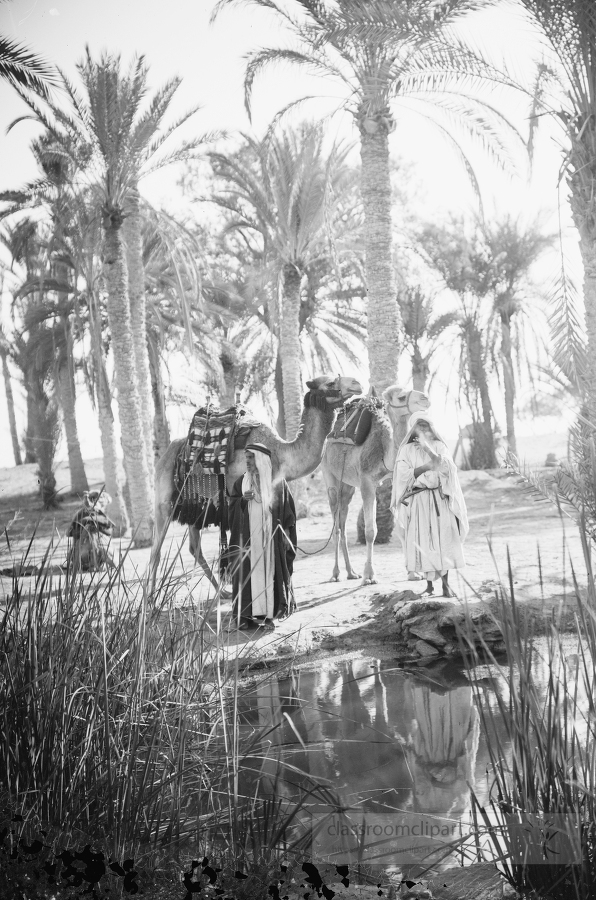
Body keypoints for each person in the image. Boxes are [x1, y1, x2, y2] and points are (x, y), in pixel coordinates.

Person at [390, 412, 468, 598]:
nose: (423, 430)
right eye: (419, 426)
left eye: (426, 426)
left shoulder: (440, 446)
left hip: (440, 500)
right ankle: (429, 586)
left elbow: (446, 467)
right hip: (419, 501)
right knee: (424, 542)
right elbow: (402, 474)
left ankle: (446, 586)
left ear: (432, 428)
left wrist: (428, 450)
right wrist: (426, 467)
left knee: (444, 542)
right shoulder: (406, 450)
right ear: (414, 429)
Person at [228, 443, 297, 630]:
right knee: (246, 574)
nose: (247, 462)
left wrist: (287, 534)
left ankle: (268, 615)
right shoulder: (241, 482)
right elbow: (231, 506)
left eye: (251, 458)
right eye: (246, 457)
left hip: (270, 541)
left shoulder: (277, 483)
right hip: (248, 541)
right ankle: (244, 616)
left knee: (269, 574)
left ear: (261, 459)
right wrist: (242, 500)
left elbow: (288, 512)